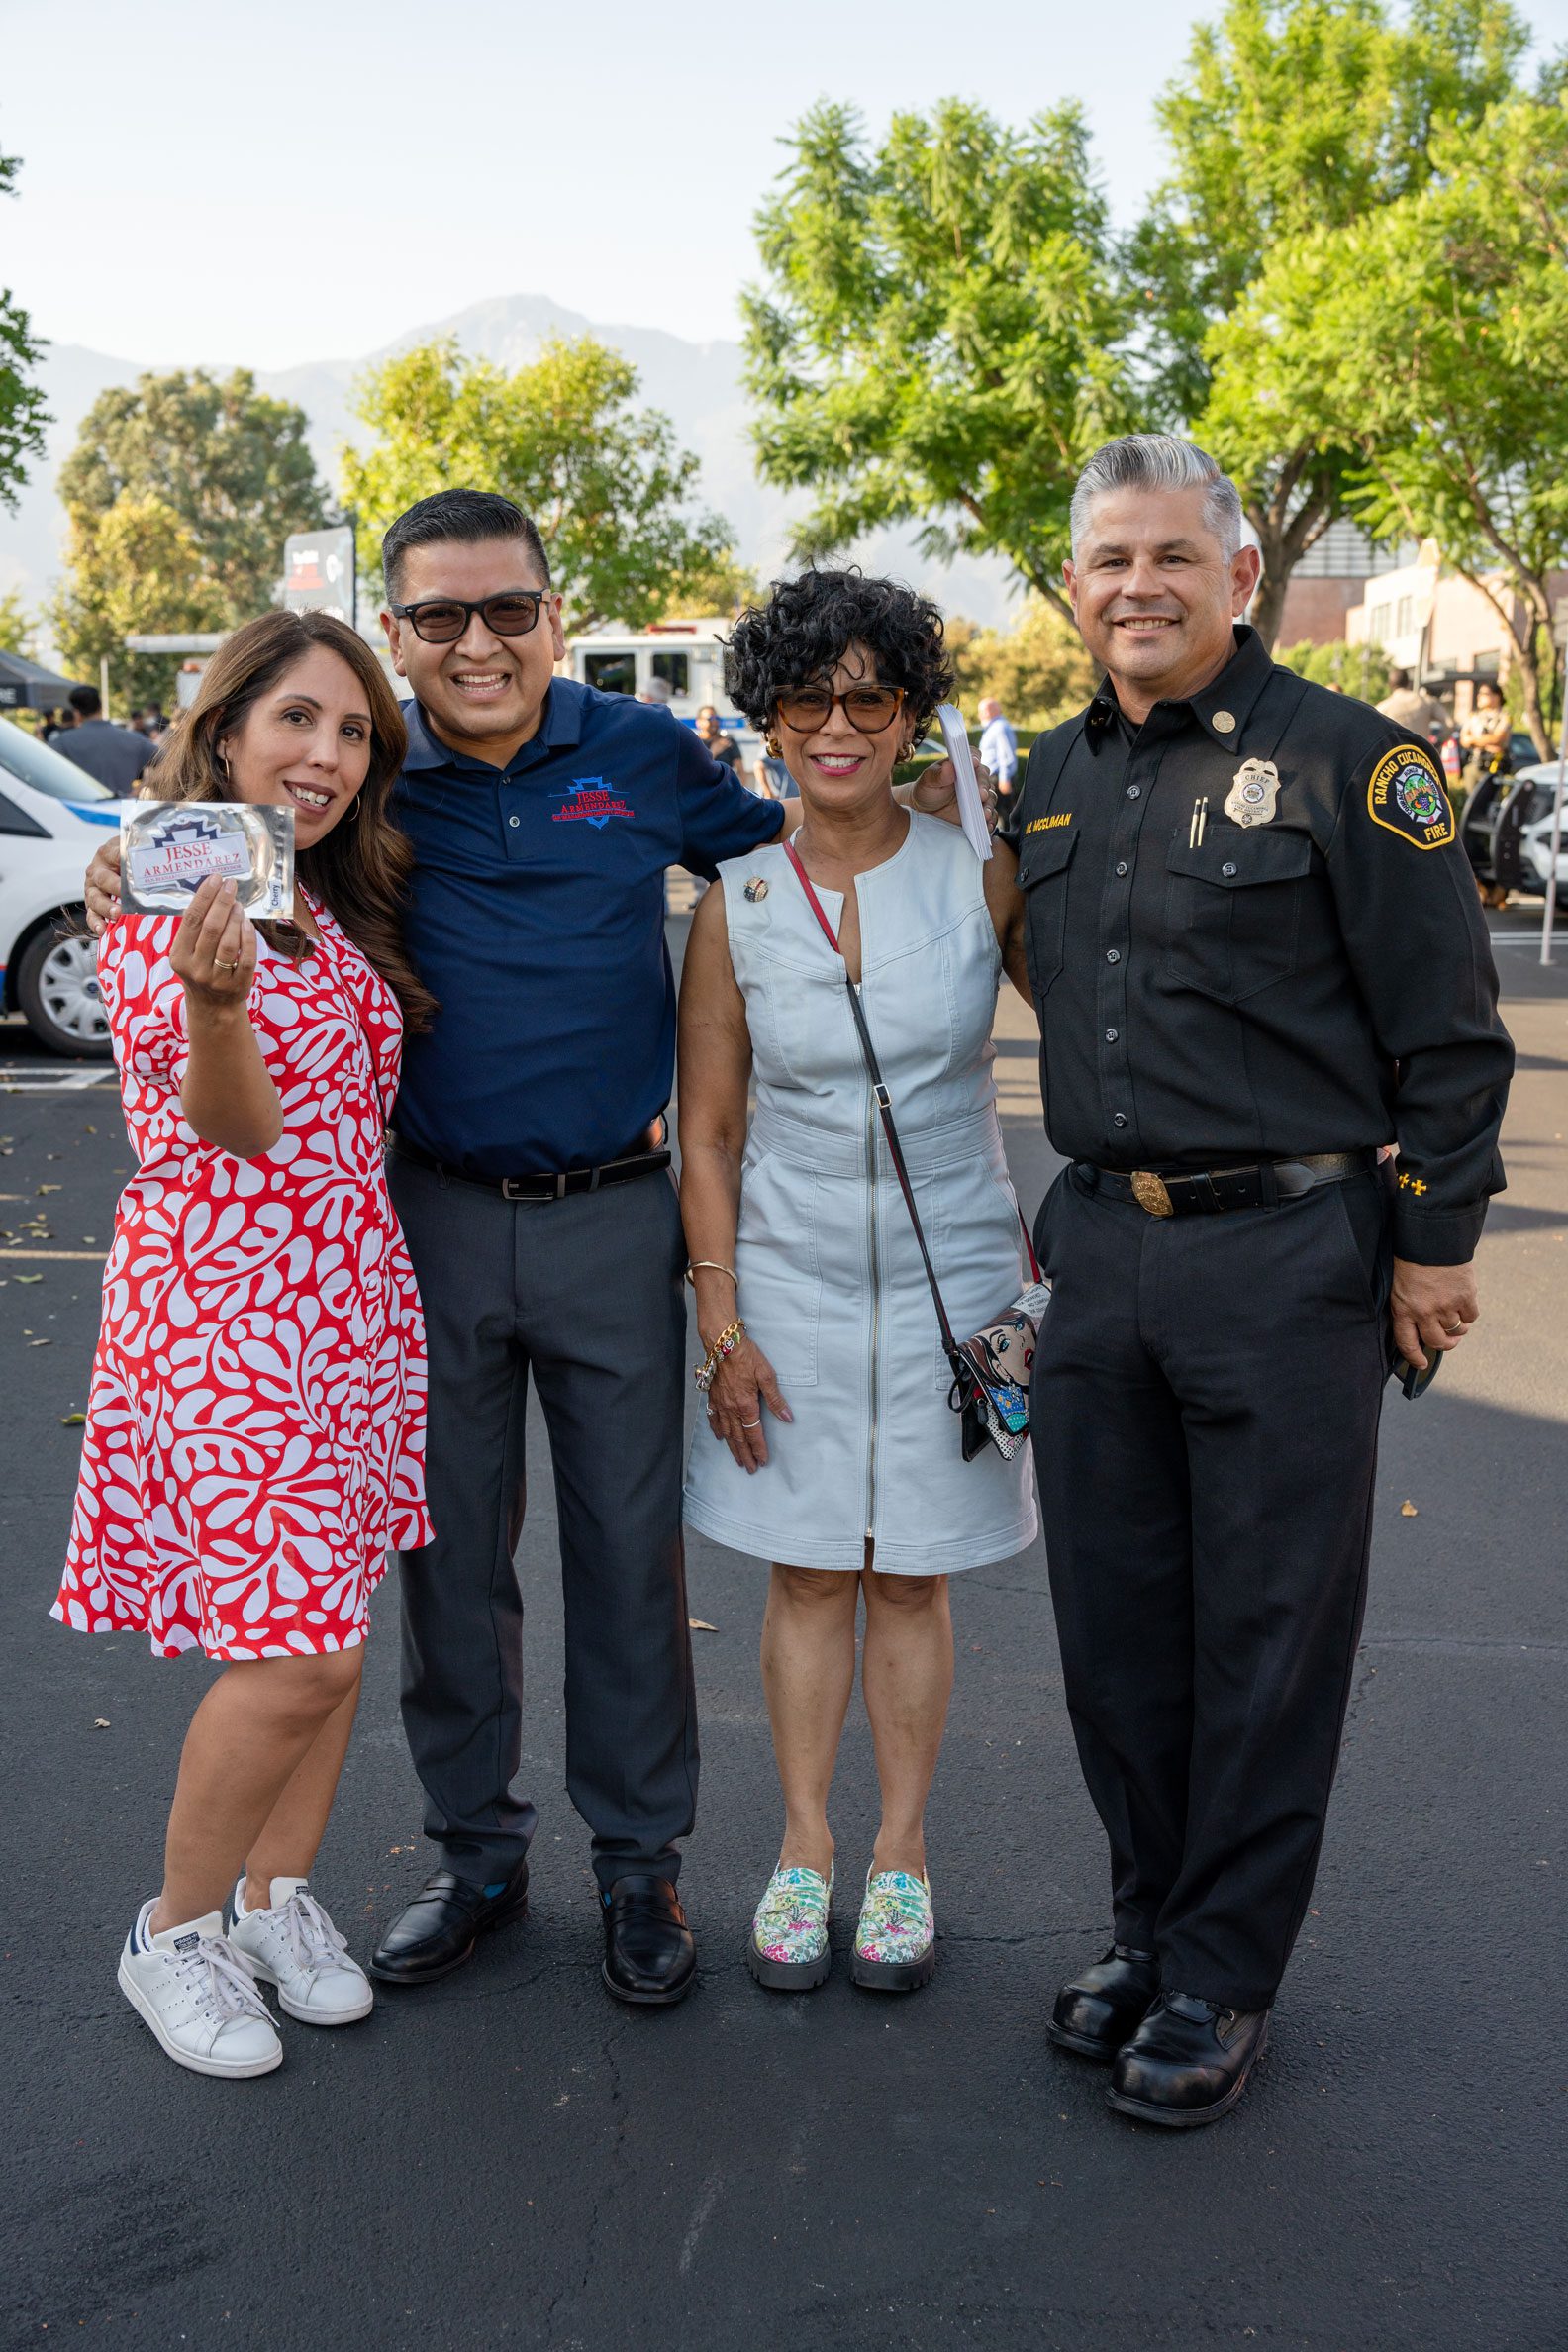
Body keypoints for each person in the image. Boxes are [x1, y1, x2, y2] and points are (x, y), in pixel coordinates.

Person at [88, 494, 984, 2009]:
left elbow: (811, 844)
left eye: (507, 609)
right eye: (438, 617)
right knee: (451, 1572)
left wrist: (969, 833)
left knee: (633, 1563)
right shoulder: (365, 781)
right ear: (400, 633)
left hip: (618, 1220)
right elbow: (222, 870)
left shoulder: (641, 756)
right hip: (421, 1225)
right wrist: (128, 870)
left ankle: (641, 1868)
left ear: (553, 614)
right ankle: (477, 1854)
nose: (476, 642)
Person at [1005, 435, 1513, 2127]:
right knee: (1113, 1629)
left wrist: (1432, 1244)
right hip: (1097, 1245)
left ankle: (1220, 1974)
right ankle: (1145, 1925)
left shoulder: (1350, 767)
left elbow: (1447, 1033)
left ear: (1235, 576)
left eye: (1167, 555)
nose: (1133, 585)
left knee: (1264, 1634)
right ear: (1070, 588)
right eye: (1104, 560)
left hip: (1285, 1252)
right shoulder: (1049, 777)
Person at [58, 610, 436, 2079]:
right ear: (224, 730)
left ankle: (278, 1899)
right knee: (295, 1654)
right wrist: (220, 1004)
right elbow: (230, 1123)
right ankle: (175, 1932)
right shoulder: (169, 897)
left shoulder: (316, 897)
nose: (326, 755)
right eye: (297, 720)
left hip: (344, 1311)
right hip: (231, 1315)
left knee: (334, 1646)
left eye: (351, 732)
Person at [680, 572, 1033, 1997]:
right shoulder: (738, 903)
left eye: (870, 696)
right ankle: (805, 1846)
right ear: (767, 720)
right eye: (807, 696)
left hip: (964, 1283)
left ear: (911, 716)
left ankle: (901, 1851)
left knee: (914, 1578)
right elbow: (705, 1128)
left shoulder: (982, 876)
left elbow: (1095, 1030)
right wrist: (723, 1322)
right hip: (791, 1278)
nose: (839, 724)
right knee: (815, 1563)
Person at [53, 684, 156, 792]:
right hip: (122, 806)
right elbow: (168, 763)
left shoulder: (63, 743)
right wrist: (138, 790)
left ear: (76, 713)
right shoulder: (134, 739)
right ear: (101, 707)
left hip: (79, 806)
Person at [1376, 667, 1446, 735]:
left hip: (1395, 747)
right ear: (1408, 682)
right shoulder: (1427, 701)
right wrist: (1440, 742)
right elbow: (1449, 723)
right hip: (1421, 746)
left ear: (1389, 685)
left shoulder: (1382, 708)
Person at [978, 697, 1020, 800]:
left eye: (981, 711)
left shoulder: (1000, 727)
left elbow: (1006, 754)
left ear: (988, 711)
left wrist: (1004, 779)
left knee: (1003, 814)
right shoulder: (993, 727)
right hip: (993, 779)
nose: (979, 715)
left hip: (998, 780)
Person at [695, 702, 744, 775]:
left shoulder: (728, 742)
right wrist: (713, 752)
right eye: (710, 718)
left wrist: (738, 786)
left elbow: (741, 771)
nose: (714, 721)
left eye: (716, 718)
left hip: (726, 786)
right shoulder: (694, 744)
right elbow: (696, 772)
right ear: (698, 722)